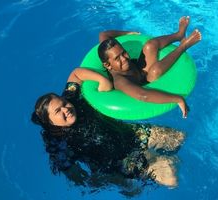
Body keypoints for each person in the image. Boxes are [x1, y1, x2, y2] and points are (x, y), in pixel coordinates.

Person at [31, 67, 186, 191]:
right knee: (171, 179)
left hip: (130, 133)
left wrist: (102, 79)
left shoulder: (72, 98)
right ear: (50, 122)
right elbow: (71, 172)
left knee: (180, 137)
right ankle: (122, 179)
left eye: (64, 103)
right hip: (119, 161)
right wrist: (92, 180)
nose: (66, 109)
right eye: (58, 111)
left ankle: (149, 162)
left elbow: (76, 73)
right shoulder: (57, 143)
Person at [98, 16, 202, 118]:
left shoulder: (113, 53)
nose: (124, 58)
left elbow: (104, 34)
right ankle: (184, 46)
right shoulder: (119, 81)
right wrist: (178, 99)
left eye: (123, 52)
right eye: (117, 58)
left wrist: (127, 33)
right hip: (143, 83)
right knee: (155, 71)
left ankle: (179, 35)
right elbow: (143, 95)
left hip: (138, 69)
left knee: (150, 45)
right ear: (107, 65)